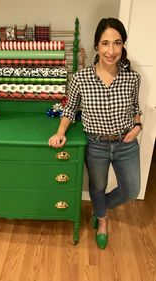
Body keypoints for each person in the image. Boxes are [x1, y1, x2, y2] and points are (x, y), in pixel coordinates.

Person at [48, 17, 142, 249]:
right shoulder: (81, 78)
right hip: (96, 145)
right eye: (105, 43)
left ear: (123, 46)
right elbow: (70, 109)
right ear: (96, 46)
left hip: (126, 144)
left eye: (117, 43)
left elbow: (135, 109)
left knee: (131, 190)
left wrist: (138, 126)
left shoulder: (132, 77)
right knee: (97, 187)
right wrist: (61, 132)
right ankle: (102, 221)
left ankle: (99, 208)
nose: (111, 51)